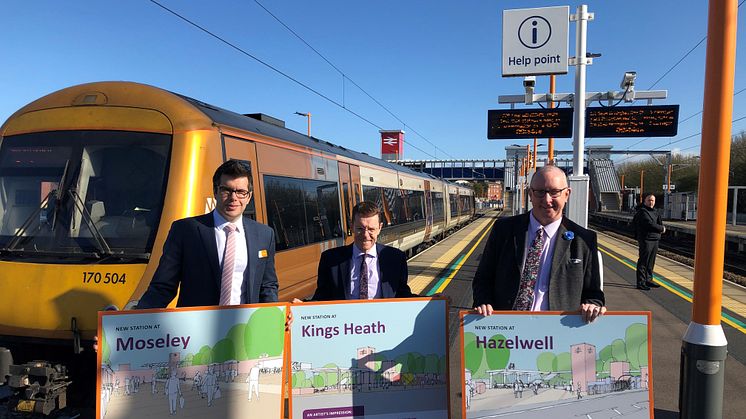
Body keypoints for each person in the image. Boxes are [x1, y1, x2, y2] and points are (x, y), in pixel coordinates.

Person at [472, 165, 606, 323]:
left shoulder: (584, 240)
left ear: (567, 194)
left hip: (557, 333)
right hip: (507, 330)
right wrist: (483, 301)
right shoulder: (504, 230)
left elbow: (594, 294)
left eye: (554, 192)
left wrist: (592, 305)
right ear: (530, 194)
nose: (547, 199)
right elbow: (483, 278)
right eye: (540, 192)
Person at [138, 160, 278, 308]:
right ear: (215, 191)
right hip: (197, 327)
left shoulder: (264, 234)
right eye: (226, 190)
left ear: (249, 197)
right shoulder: (185, 230)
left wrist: (276, 316)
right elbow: (163, 286)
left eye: (241, 192)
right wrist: (136, 319)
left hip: (243, 327)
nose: (233, 198)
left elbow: (267, 286)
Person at [308, 201, 417, 301]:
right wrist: (299, 309)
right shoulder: (330, 259)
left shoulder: (396, 258)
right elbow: (321, 298)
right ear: (352, 227)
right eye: (360, 229)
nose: (365, 235)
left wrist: (432, 302)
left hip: (382, 322)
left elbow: (403, 297)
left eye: (371, 229)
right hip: (346, 322)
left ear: (380, 228)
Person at [633, 193, 665, 290]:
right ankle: (641, 282)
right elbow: (649, 224)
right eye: (649, 200)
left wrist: (660, 228)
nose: (651, 202)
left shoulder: (656, 212)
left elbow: (659, 223)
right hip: (646, 239)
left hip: (655, 239)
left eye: (653, 200)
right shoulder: (642, 212)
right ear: (645, 201)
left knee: (651, 261)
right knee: (643, 261)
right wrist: (661, 228)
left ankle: (649, 279)